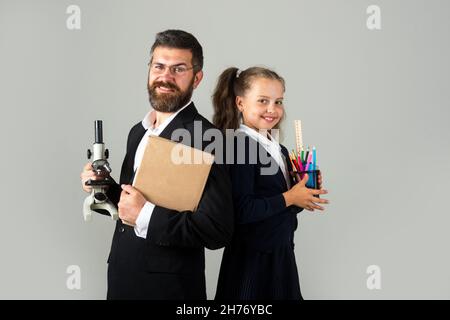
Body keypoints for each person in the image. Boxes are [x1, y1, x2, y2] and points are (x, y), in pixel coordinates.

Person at [80, 30, 233, 300]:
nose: (166, 77)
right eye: (159, 66)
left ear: (197, 78)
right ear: (150, 69)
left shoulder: (206, 139)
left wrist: (145, 215)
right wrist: (102, 187)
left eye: (179, 69)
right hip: (121, 279)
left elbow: (216, 230)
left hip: (169, 291)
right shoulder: (137, 132)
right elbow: (132, 204)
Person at [212, 67, 329, 300]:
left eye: (278, 101)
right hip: (252, 261)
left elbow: (279, 208)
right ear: (240, 103)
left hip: (280, 253)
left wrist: (301, 195)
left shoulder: (279, 149)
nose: (272, 109)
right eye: (263, 101)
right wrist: (290, 197)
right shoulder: (239, 147)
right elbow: (241, 210)